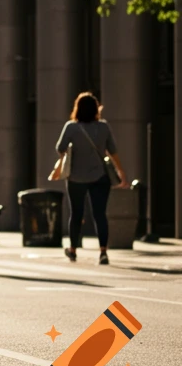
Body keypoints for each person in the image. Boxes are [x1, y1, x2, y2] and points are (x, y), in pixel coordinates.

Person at [55, 92, 127, 265]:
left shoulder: (71, 127)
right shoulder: (103, 127)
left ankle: (72, 249)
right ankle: (103, 251)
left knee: (76, 213)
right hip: (100, 176)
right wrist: (120, 171)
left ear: (77, 108)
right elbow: (113, 150)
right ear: (96, 109)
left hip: (76, 177)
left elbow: (60, 148)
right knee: (100, 214)